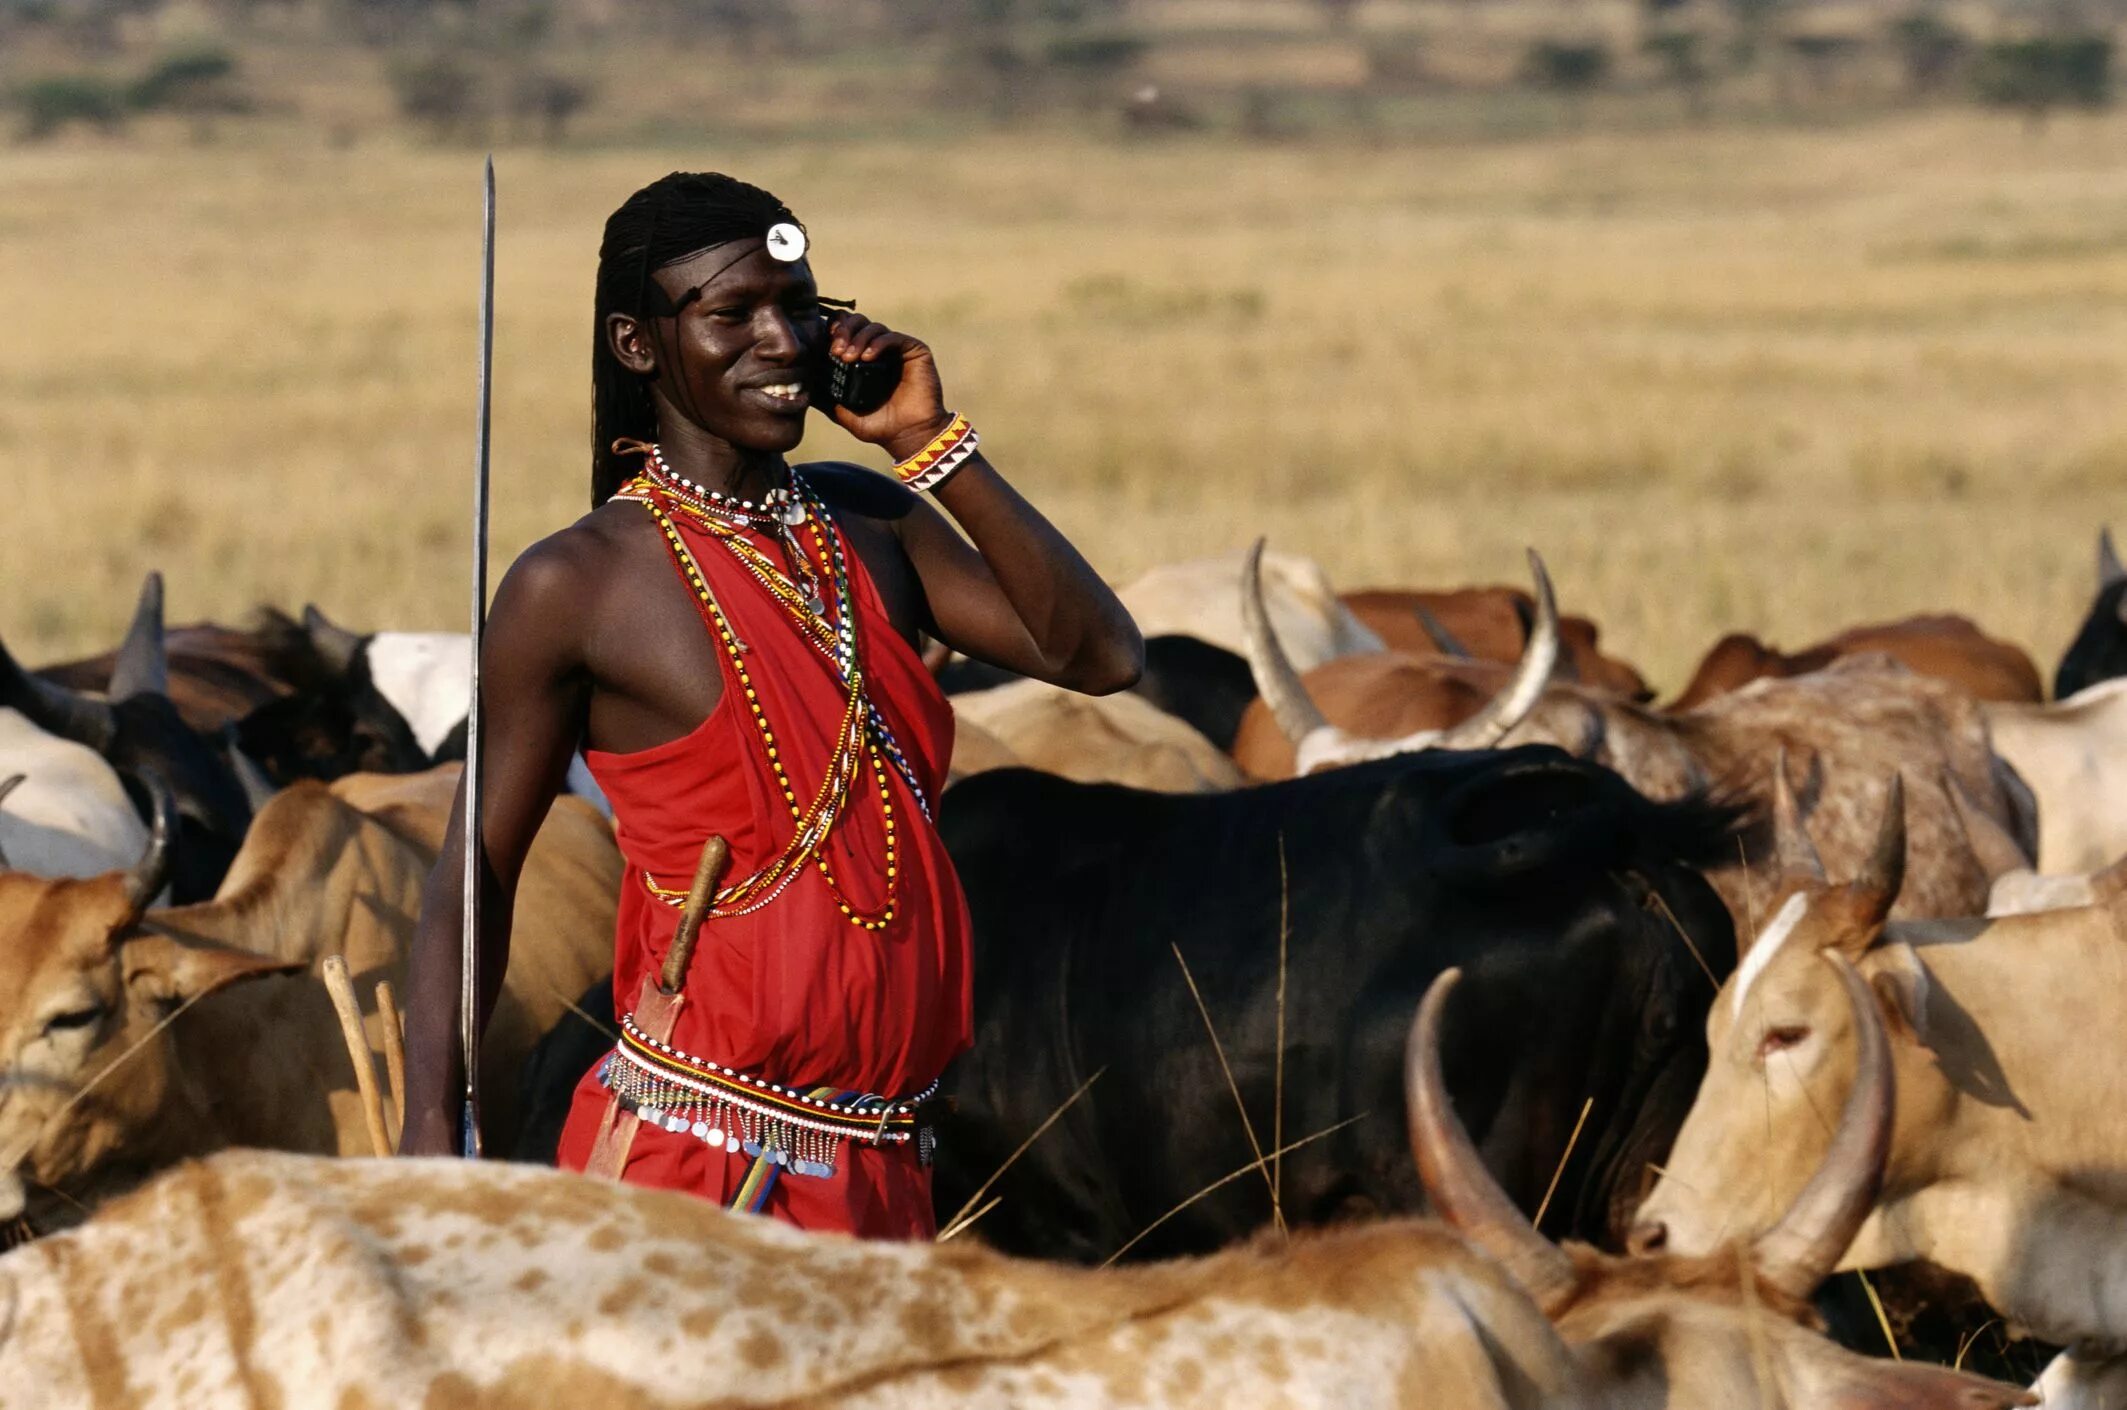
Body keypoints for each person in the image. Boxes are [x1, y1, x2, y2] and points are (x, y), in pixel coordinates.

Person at [398, 171, 1142, 1240]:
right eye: (730, 314)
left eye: (798, 305)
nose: (783, 341)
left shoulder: (872, 525)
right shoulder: (582, 584)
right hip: (693, 1168)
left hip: (889, 1163)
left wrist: (930, 444)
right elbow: (476, 878)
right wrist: (433, 1135)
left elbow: (1101, 653)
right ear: (638, 344)